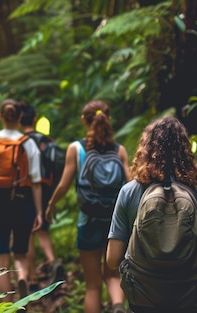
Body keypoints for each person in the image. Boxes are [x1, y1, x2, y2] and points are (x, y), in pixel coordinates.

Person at [106, 116, 197, 312]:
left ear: (145, 149)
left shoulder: (129, 192)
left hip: (143, 299)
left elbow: (112, 260)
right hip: (191, 300)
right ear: (186, 151)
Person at [46, 100, 131, 313]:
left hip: (88, 220)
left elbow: (64, 184)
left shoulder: (76, 149)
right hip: (116, 224)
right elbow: (131, 187)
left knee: (92, 286)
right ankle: (118, 306)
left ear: (84, 120)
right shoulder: (119, 151)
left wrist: (51, 204)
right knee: (113, 274)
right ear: (108, 119)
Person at [0, 99, 43, 302]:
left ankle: (7, 304)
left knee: (2, 258)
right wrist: (39, 211)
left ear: (0, 116)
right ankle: (22, 277)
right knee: (21, 253)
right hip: (22, 202)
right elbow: (36, 181)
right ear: (19, 118)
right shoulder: (28, 143)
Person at [19, 102, 64, 291]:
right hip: (45, 189)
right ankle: (53, 261)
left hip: (24, 189)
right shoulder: (46, 140)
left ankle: (31, 277)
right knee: (42, 228)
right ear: (35, 119)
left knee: (28, 233)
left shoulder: (18, 141)